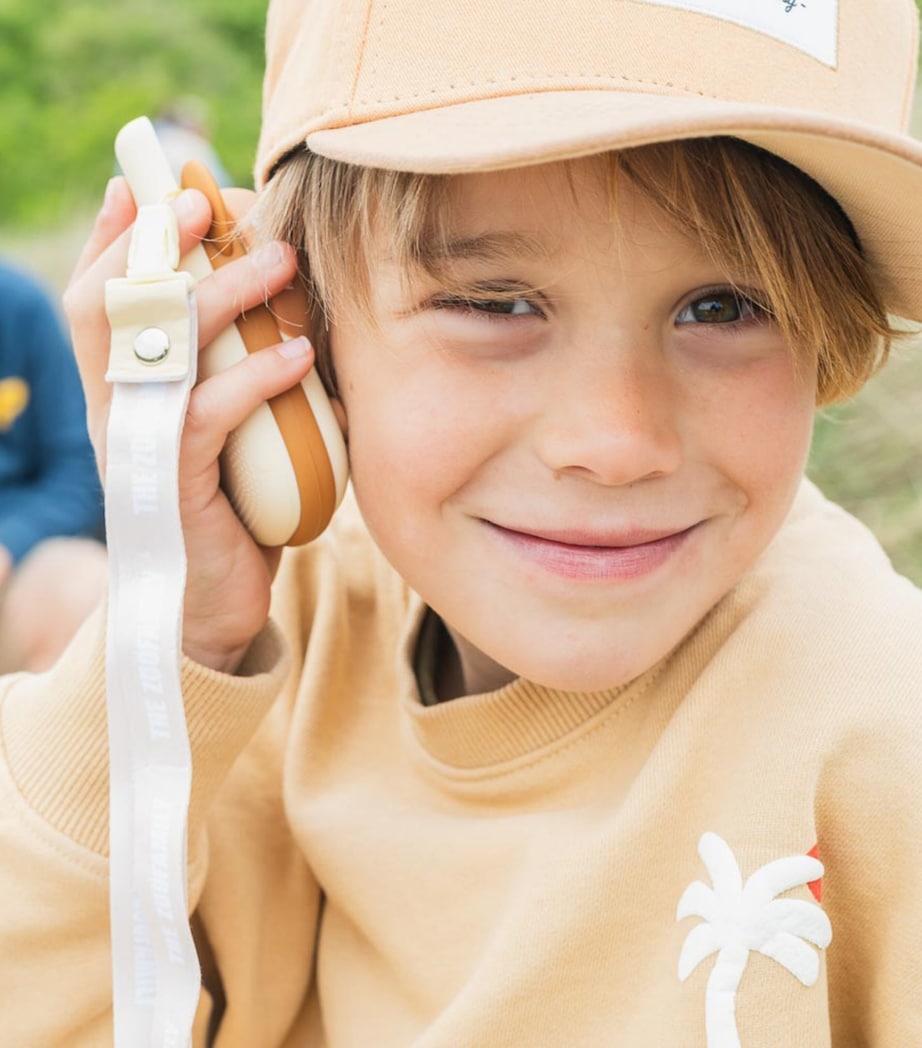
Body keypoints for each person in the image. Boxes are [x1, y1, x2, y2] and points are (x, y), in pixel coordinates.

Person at [2, 0, 922, 1044]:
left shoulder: (882, 738)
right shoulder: (277, 649)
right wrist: (168, 638)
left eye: (723, 308)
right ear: (282, 321)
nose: (615, 442)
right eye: (495, 302)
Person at [0, 259, 106, 674]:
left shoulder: (20, 307)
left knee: (86, 591)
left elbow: (80, 469)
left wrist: (9, 543)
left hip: (18, 568)